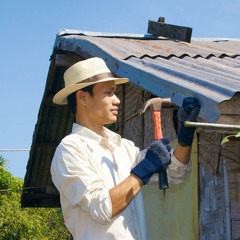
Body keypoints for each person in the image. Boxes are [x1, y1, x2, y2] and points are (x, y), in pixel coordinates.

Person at [50, 57, 200, 240]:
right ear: (82, 97)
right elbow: (102, 208)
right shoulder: (70, 150)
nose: (117, 100)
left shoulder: (124, 147)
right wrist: (144, 168)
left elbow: (175, 172)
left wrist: (185, 137)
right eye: (109, 92)